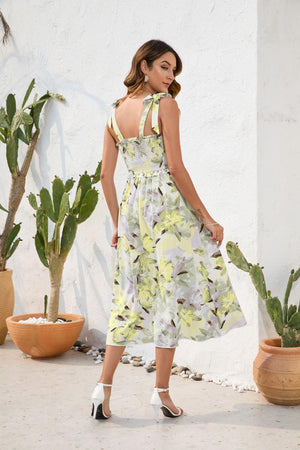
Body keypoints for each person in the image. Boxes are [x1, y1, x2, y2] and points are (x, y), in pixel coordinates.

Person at [91, 39, 247, 421]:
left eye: (174, 69)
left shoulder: (114, 114)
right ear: (143, 66)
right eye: (164, 66)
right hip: (166, 210)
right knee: (169, 296)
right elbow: (175, 168)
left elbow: (106, 177)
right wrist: (207, 218)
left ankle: (102, 389)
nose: (170, 75)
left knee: (127, 297)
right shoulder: (165, 106)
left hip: (131, 211)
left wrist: (117, 223)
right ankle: (160, 392)